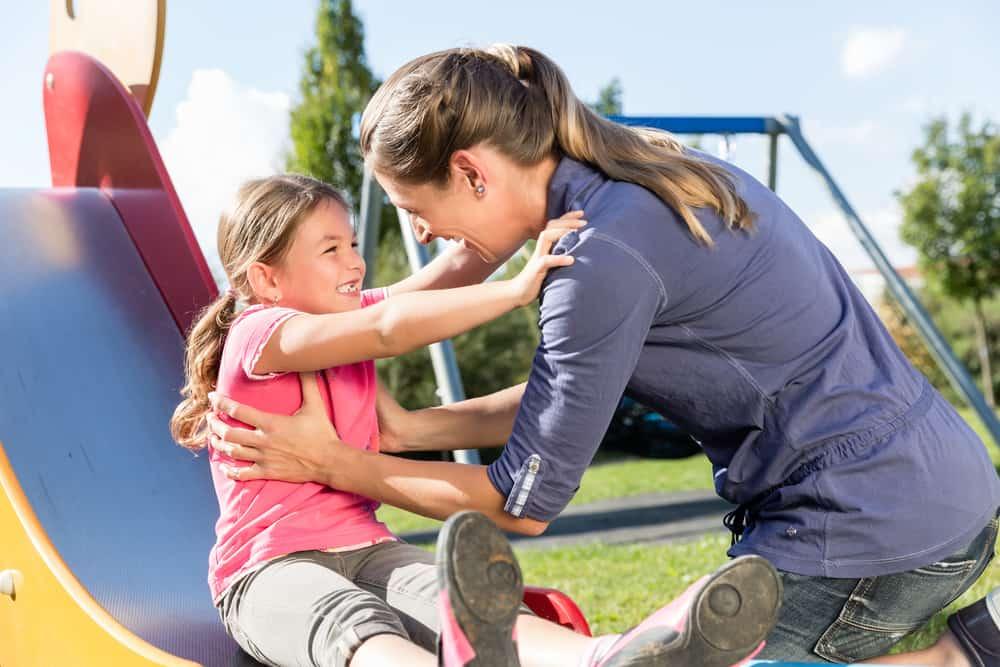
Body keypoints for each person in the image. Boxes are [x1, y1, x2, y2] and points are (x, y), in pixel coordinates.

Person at [204, 45, 999, 663]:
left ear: (470, 172)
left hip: (866, 532)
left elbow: (524, 501)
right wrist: (404, 429)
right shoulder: (650, 177)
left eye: (418, 209)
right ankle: (964, 652)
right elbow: (566, 394)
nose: (421, 236)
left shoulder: (596, 260)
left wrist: (347, 466)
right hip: (942, 499)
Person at [172, 174, 778, 667]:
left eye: (352, 243)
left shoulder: (340, 314)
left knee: (469, 607)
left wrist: (522, 214)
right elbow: (387, 331)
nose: (354, 262)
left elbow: (442, 279)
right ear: (265, 278)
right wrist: (517, 291)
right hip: (269, 568)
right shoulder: (260, 333)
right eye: (330, 250)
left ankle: (606, 659)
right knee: (353, 626)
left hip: (371, 547)